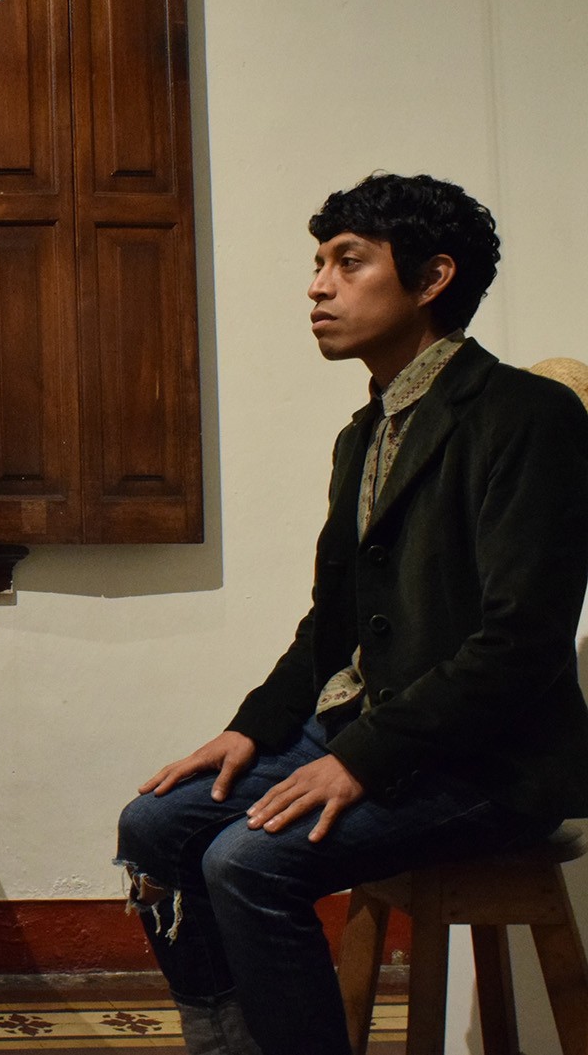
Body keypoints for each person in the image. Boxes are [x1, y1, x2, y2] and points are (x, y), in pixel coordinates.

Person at [115, 172, 588, 1055]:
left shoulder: (529, 416)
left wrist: (362, 758)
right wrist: (251, 727)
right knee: (155, 825)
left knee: (245, 862)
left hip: (489, 761)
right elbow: (331, 623)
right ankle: (230, 1043)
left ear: (433, 278)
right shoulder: (366, 432)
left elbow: (520, 642)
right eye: (319, 261)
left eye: (348, 261)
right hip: (373, 731)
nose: (317, 284)